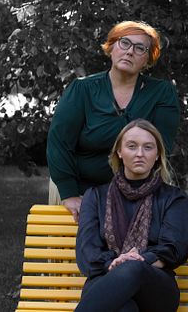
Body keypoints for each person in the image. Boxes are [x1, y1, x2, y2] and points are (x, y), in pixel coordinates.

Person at [47, 20, 180, 222]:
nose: (129, 52)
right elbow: (59, 144)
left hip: (138, 193)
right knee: (75, 252)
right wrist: (69, 194)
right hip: (78, 191)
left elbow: (161, 148)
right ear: (111, 47)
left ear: (147, 59)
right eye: (124, 43)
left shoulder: (162, 93)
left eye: (140, 48)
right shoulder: (82, 89)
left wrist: (137, 197)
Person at [74, 119, 188, 312]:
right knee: (124, 309)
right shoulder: (95, 196)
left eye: (148, 147)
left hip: (155, 289)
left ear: (157, 155)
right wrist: (113, 263)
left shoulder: (173, 198)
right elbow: (87, 251)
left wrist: (132, 262)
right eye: (131, 146)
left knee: (132, 267)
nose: (139, 154)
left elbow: (174, 250)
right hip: (104, 281)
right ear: (119, 152)